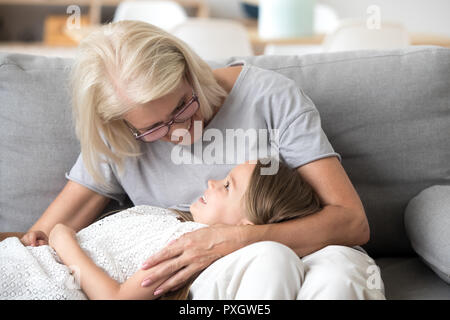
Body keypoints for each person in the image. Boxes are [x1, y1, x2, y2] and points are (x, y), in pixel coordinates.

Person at [11, 20, 384, 299]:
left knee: (336, 277)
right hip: (207, 276)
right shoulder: (119, 135)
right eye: (154, 129)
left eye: (182, 107)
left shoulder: (271, 97)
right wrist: (48, 241)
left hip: (310, 247)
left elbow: (351, 221)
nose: (179, 133)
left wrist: (234, 239)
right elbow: (45, 237)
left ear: (189, 71)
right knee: (262, 267)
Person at [1, 159, 321, 300]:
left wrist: (64, 239)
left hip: (43, 280)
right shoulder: (173, 220)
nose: (211, 182)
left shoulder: (186, 247)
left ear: (244, 227)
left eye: (226, 186)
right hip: (28, 261)